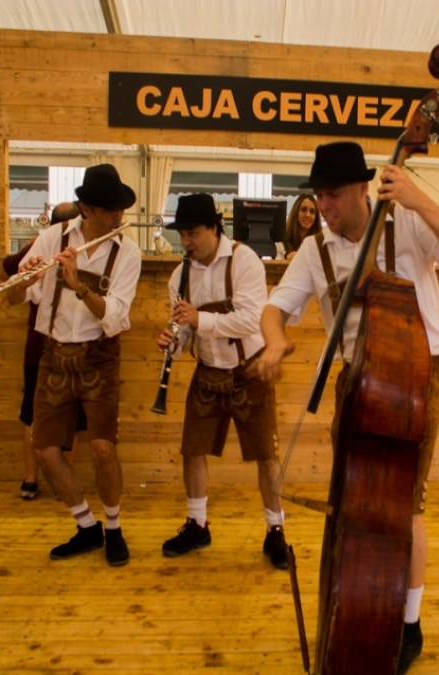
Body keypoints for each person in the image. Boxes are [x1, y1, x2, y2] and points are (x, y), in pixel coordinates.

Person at [257, 141, 439, 673]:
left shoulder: (405, 223)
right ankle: (359, 605)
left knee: (406, 503)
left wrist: (418, 198)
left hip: (413, 382)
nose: (325, 207)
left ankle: (408, 622)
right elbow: (275, 307)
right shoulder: (314, 251)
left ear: (363, 189)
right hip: (355, 385)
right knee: (357, 506)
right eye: (318, 196)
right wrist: (273, 341)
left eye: (333, 195)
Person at [5, 163, 142, 567]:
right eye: (108, 209)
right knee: (46, 451)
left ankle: (114, 527)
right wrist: (26, 281)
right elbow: (12, 301)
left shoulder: (126, 251)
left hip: (99, 355)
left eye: (120, 207)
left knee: (102, 449)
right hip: (54, 354)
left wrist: (78, 284)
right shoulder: (53, 238)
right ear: (87, 207)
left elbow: (115, 317)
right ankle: (86, 525)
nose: (118, 215)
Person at [156, 193, 289, 570]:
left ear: (215, 228)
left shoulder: (244, 261)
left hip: (251, 372)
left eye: (193, 233)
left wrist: (200, 320)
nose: (185, 242)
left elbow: (251, 319)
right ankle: (197, 524)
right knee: (192, 450)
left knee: (266, 455)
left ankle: (275, 530)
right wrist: (173, 343)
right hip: (208, 372)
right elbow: (184, 330)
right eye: (181, 234)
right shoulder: (179, 275)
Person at [0, 202, 85, 500]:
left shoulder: (52, 243)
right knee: (43, 412)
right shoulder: (48, 243)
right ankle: (44, 481)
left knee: (36, 413)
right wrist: (36, 251)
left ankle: (31, 480)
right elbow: (10, 267)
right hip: (44, 342)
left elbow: (10, 263)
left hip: (48, 343)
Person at [283, 193, 322, 259]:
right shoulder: (282, 240)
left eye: (312, 212)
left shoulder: (321, 243)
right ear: (296, 212)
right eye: (304, 210)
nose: (308, 215)